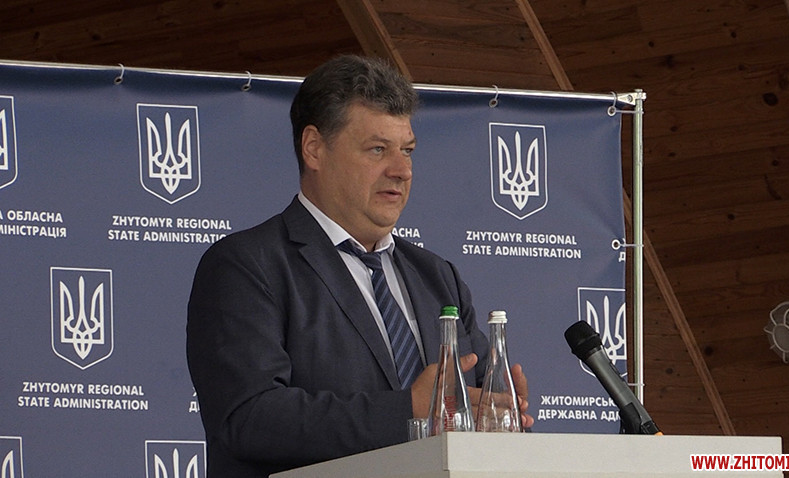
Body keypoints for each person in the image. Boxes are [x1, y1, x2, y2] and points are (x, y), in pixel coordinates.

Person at [186, 54, 532, 478]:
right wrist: (408, 409)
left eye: (407, 151)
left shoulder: (437, 277)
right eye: (377, 149)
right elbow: (250, 417)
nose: (401, 170)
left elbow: (467, 408)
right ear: (314, 148)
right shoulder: (247, 265)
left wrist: (496, 411)